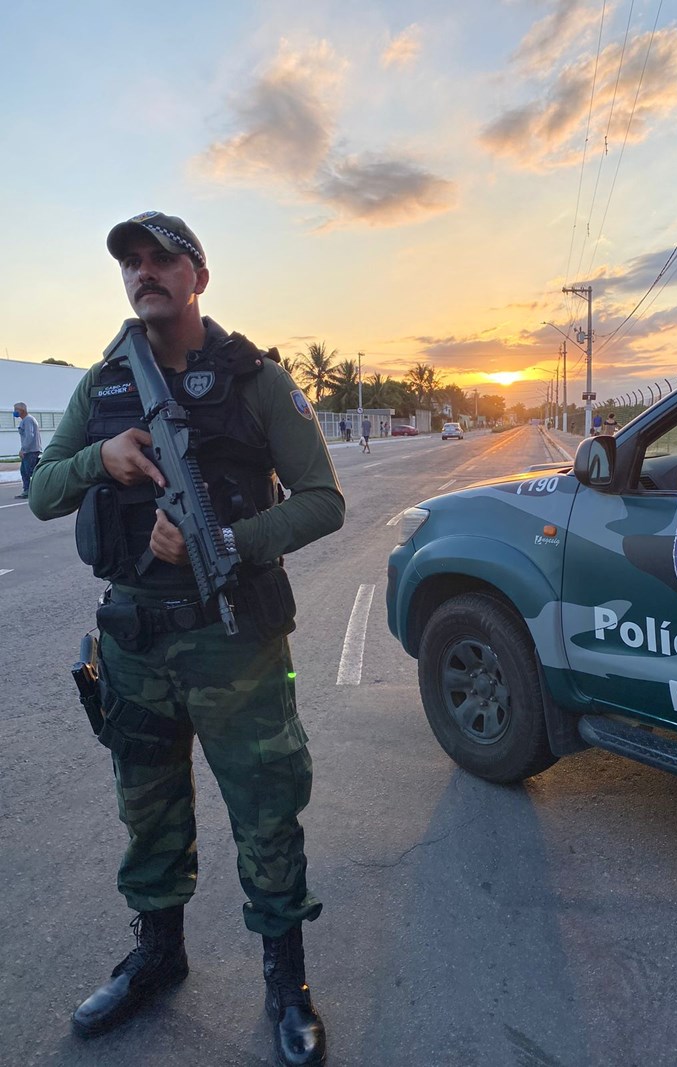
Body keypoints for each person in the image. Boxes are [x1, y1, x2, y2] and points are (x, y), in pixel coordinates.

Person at [28, 211, 345, 1067]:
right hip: (133, 641)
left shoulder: (257, 380)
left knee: (267, 812)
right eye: (132, 260)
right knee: (148, 810)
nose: (145, 270)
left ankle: (287, 983)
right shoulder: (102, 387)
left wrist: (233, 541)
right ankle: (159, 956)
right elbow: (44, 490)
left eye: (163, 256)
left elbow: (324, 499)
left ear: (198, 275)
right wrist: (108, 458)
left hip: (233, 641)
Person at [12, 402, 42, 499]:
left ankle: (30, 491)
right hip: (31, 450)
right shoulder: (26, 420)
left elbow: (30, 436)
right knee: (27, 471)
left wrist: (23, 449)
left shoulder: (28, 420)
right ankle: (29, 490)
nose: (14, 412)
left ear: (22, 410)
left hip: (30, 451)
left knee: (27, 472)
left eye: (16, 409)